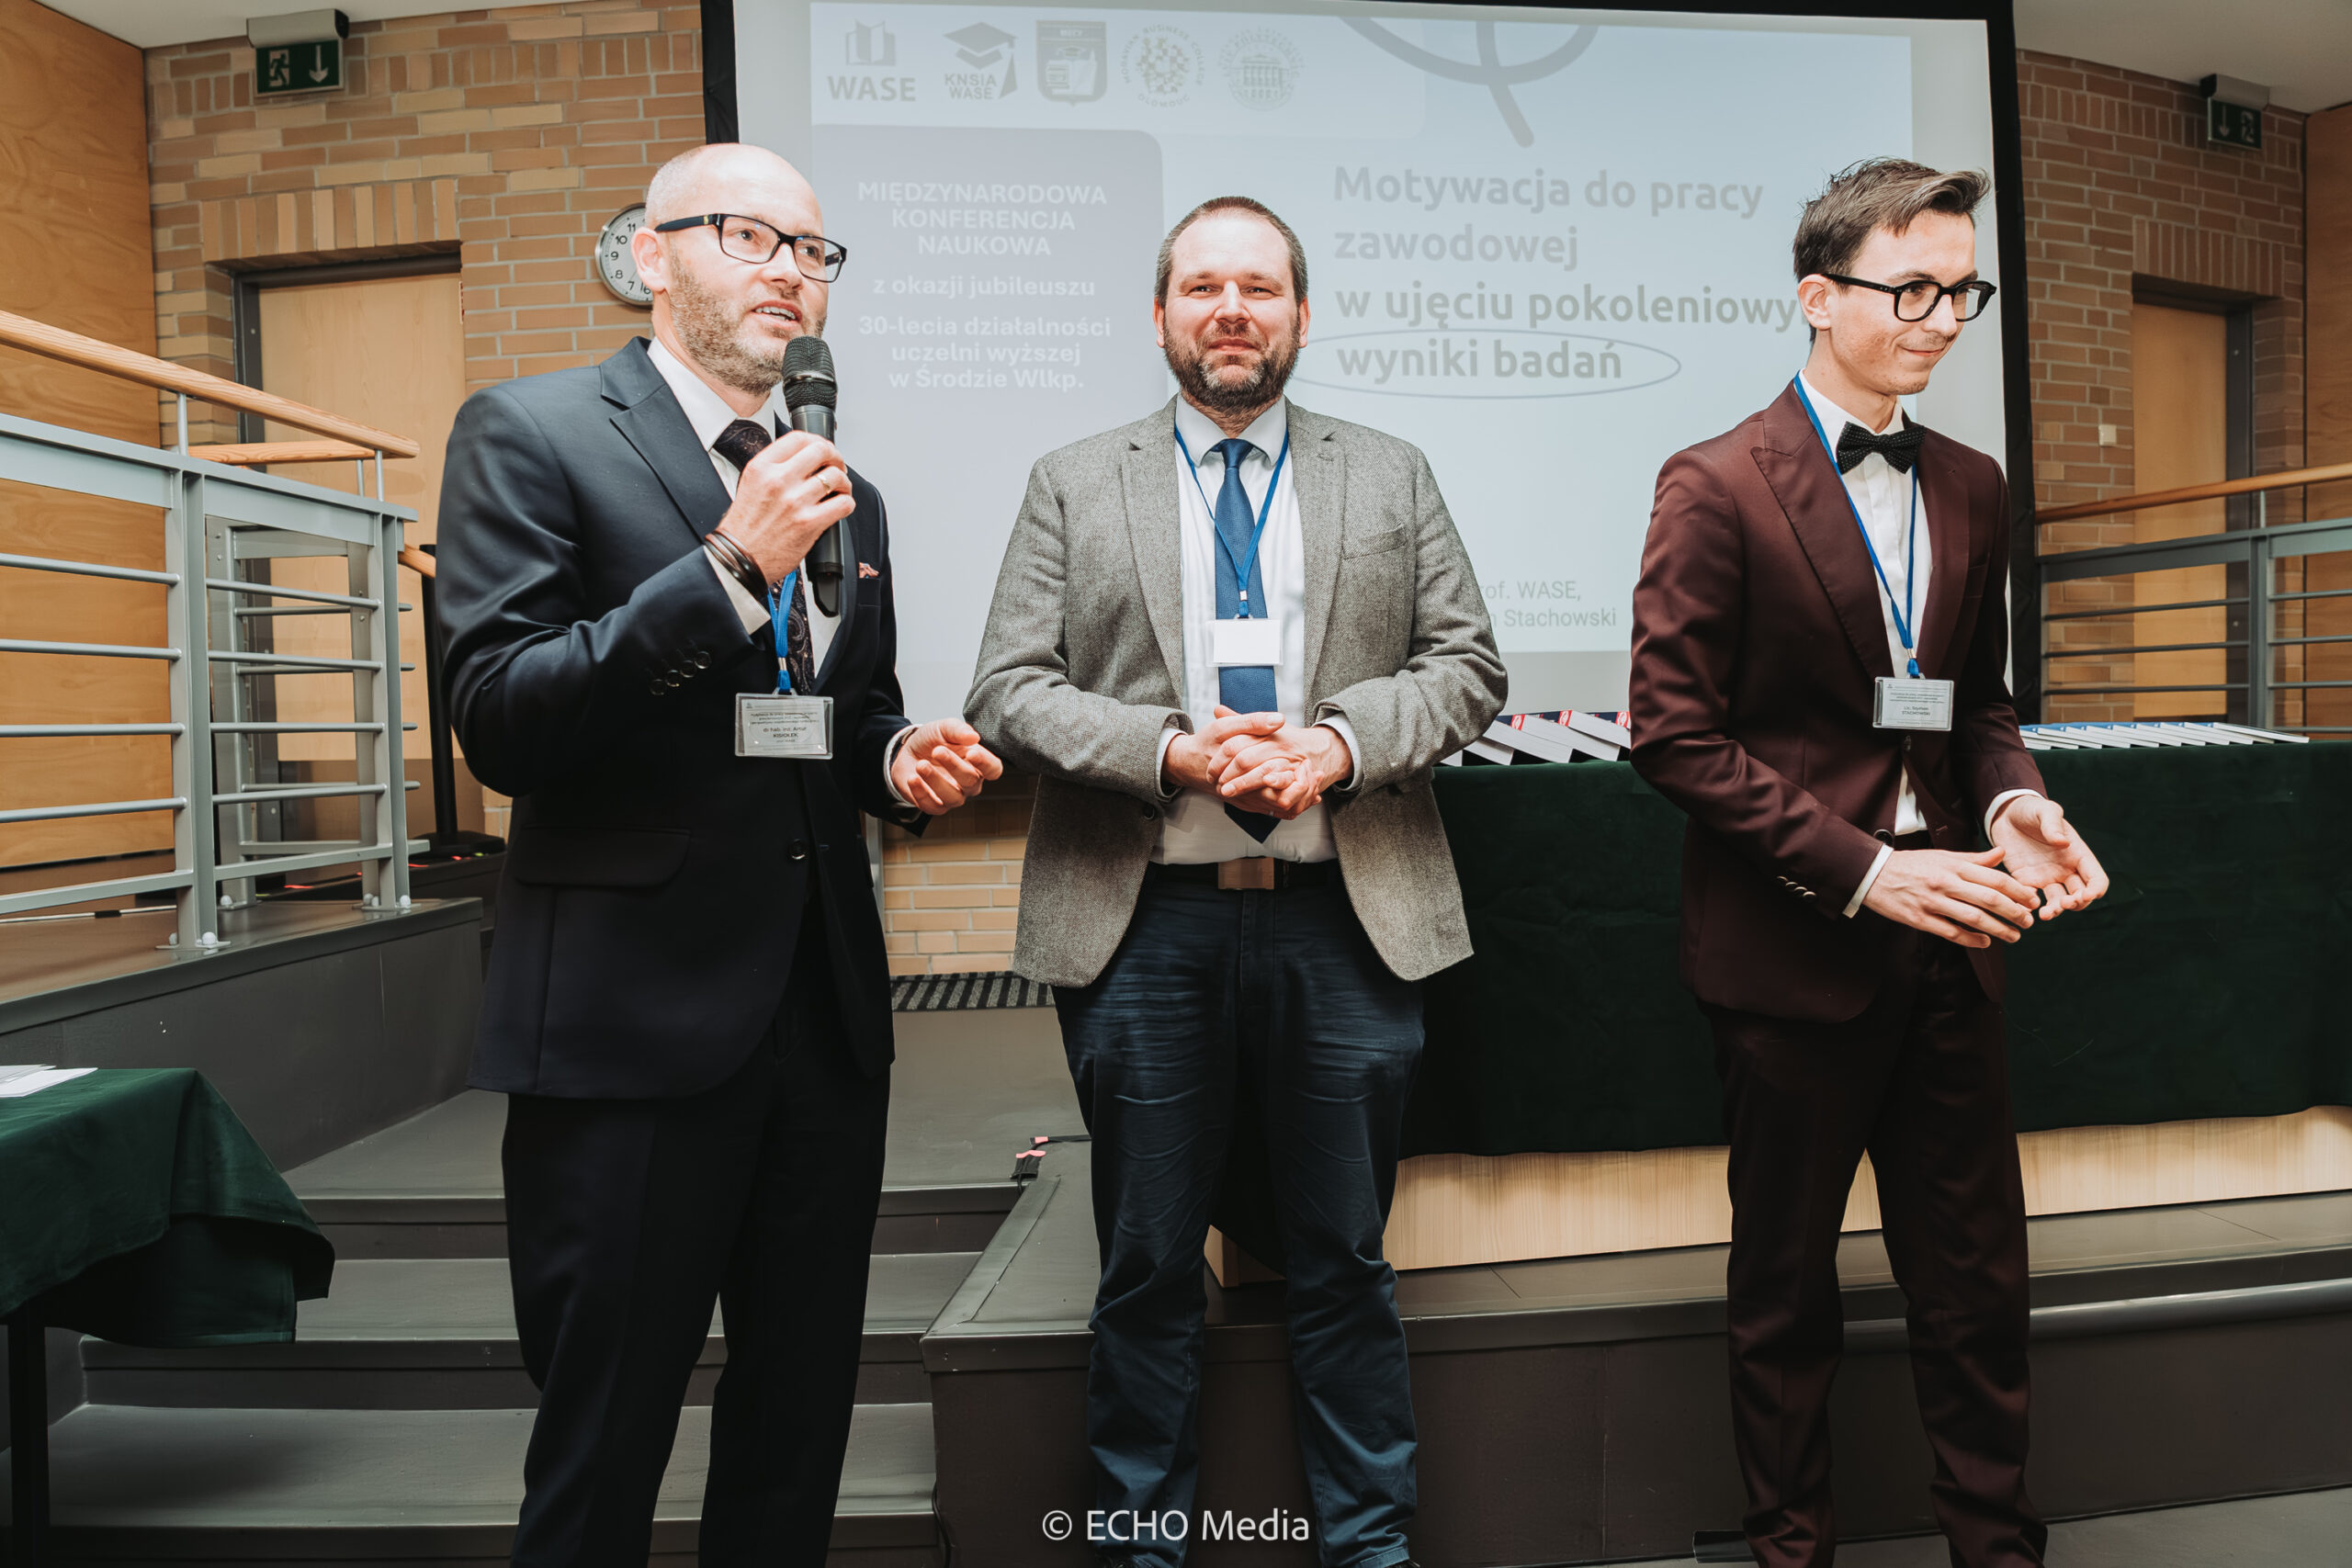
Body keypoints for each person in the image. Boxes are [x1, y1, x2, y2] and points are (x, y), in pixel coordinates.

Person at [435, 141, 1001, 1567]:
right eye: (752, 237)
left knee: (796, 1432)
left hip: (821, 1024)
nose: (791, 273)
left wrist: (894, 760)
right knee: (604, 1443)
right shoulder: (531, 433)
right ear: (652, 256)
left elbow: (835, 714)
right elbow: (502, 720)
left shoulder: (842, 491)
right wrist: (730, 569)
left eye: (813, 251)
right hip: (628, 1032)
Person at [966, 196, 1506, 1568]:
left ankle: (1370, 1548)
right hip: (1145, 925)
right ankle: (1136, 1547)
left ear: (1300, 315)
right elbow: (1008, 690)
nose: (1231, 310)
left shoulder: (1391, 472)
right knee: (1147, 1264)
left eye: (1259, 287)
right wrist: (1168, 752)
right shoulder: (1072, 480)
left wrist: (1338, 745)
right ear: (1160, 315)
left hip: (1342, 920)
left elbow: (1467, 668)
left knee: (1345, 1260)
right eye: (1202, 286)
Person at [1629, 158, 2109, 1567]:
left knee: (1979, 1290)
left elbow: (1977, 706)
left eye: (1963, 291)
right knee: (1786, 1300)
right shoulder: (1716, 482)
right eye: (1913, 290)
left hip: (1959, 940)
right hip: (1792, 953)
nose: (1943, 319)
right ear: (1817, 295)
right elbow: (1673, 736)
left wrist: (2014, 802)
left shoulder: (1972, 482)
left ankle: (1996, 1551)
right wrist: (1865, 870)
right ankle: (1793, 1554)